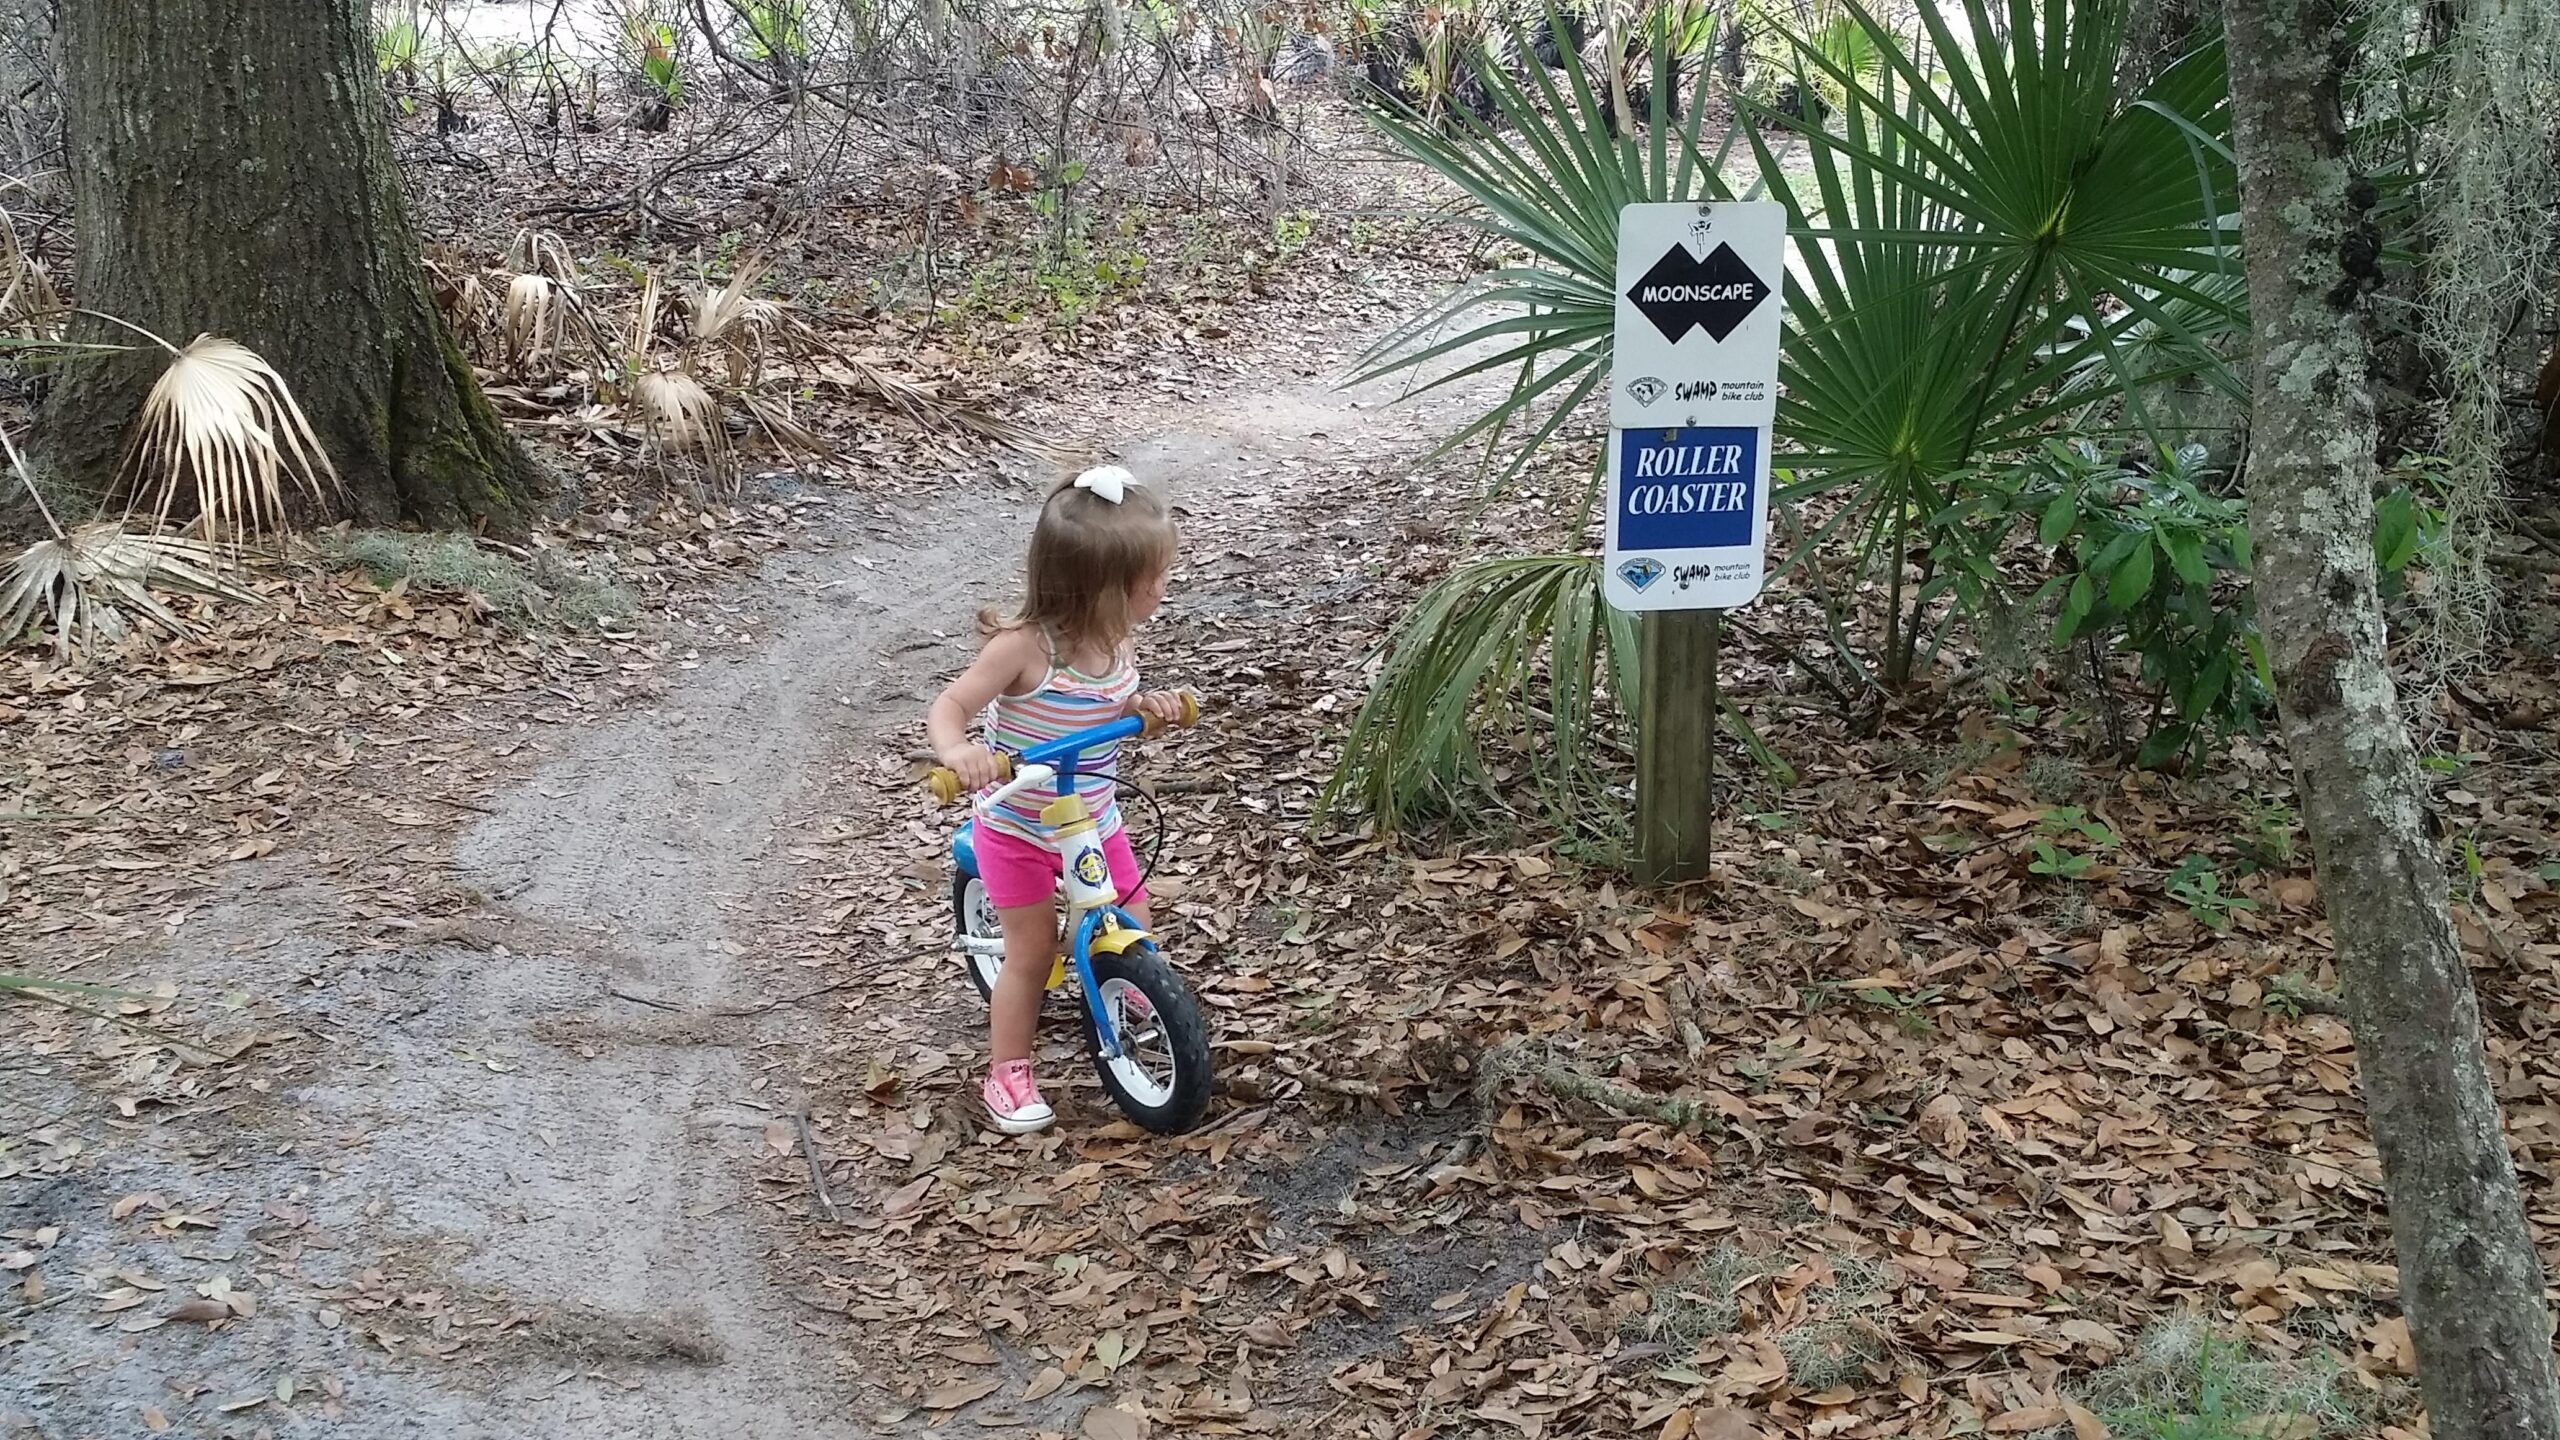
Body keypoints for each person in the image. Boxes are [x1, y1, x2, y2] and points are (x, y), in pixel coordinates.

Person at [926, 465, 1188, 1135]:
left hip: (1094, 815)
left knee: (1134, 911)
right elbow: (950, 706)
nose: (1163, 588)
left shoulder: (1115, 639)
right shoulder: (1021, 651)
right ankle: (1007, 1070)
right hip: (1018, 824)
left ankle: (1129, 992)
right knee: (1033, 951)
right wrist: (961, 753)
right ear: (1103, 591)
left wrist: (1143, 707)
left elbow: (1110, 702)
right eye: (1153, 579)